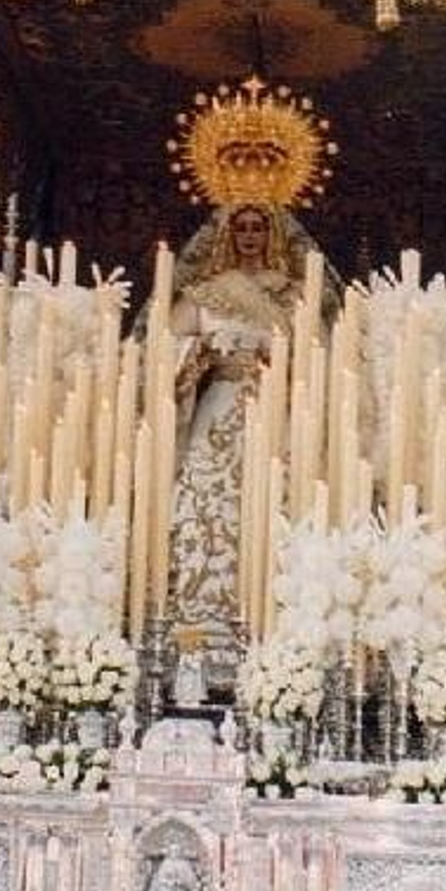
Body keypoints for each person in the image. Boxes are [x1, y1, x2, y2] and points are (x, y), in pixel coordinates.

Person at [163, 198, 334, 693]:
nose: (250, 235)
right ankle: (199, 635)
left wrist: (277, 363)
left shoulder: (294, 296)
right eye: (242, 227)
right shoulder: (205, 294)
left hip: (275, 418)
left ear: (274, 234)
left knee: (271, 510)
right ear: (227, 234)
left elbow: (322, 361)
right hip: (217, 412)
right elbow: (162, 353)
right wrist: (199, 354)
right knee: (204, 511)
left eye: (259, 227)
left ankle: (273, 639)